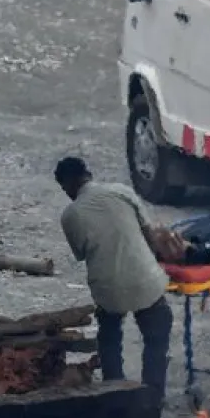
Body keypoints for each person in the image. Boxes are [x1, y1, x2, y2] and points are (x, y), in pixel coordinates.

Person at [55, 157, 173, 395]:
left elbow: (81, 253)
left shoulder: (71, 215)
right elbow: (150, 236)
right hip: (146, 281)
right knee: (156, 339)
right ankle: (152, 395)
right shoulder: (122, 191)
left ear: (68, 183)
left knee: (109, 338)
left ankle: (115, 393)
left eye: (64, 187)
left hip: (109, 291)